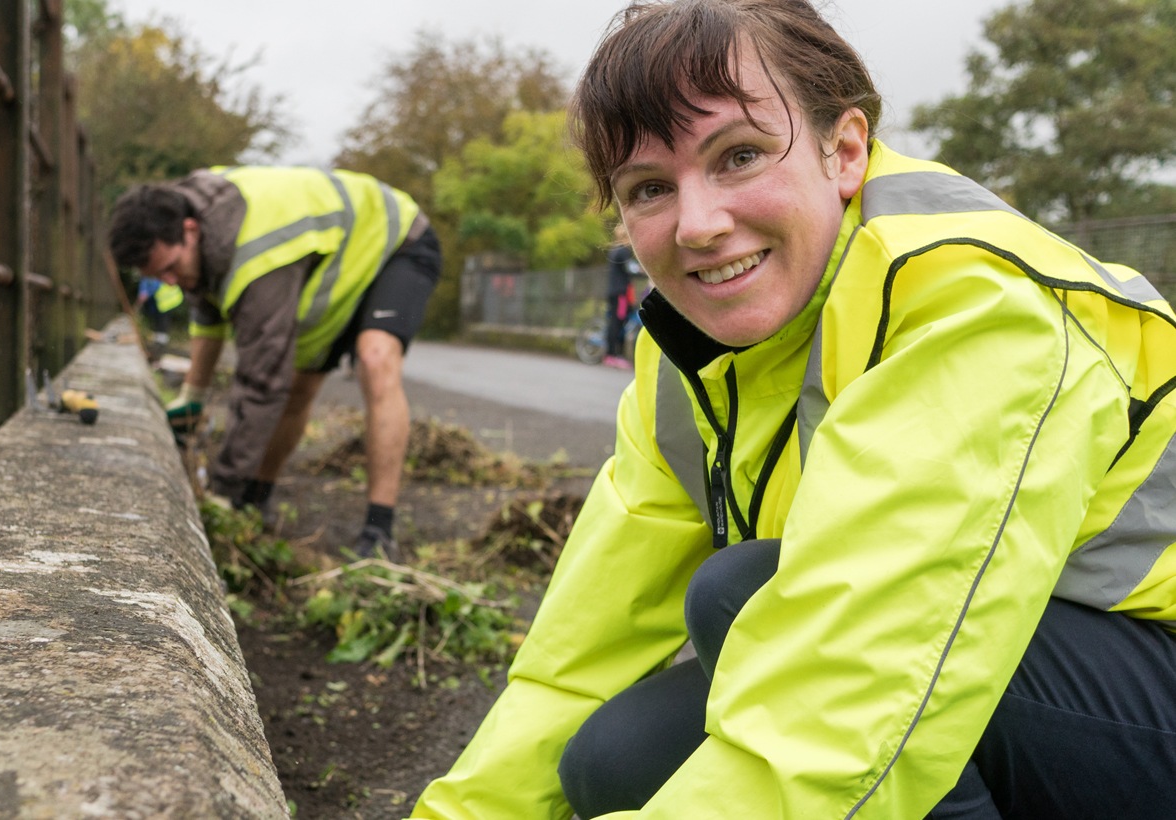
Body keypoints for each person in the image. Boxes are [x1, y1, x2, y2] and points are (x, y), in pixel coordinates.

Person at [413, 1, 1176, 818]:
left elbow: (853, 693)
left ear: (843, 151)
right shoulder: (687, 358)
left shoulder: (976, 309)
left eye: (739, 155)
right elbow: (580, 651)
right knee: (613, 760)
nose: (699, 225)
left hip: (1148, 681)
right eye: (649, 188)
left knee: (741, 594)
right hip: (1018, 661)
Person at [108, 166, 441, 561]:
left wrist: (221, 489)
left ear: (191, 230)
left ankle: (378, 530)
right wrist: (192, 397)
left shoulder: (258, 256)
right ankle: (257, 498)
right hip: (337, 263)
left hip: (395, 240)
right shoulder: (187, 210)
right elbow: (207, 315)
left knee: (375, 357)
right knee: (299, 389)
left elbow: (262, 383)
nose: (168, 283)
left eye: (170, 269)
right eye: (157, 275)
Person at [603, 224, 641, 369]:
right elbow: (630, 269)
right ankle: (612, 355)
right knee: (617, 322)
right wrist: (646, 272)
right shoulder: (623, 251)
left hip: (616, 292)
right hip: (621, 294)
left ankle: (613, 354)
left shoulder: (615, 251)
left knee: (619, 320)